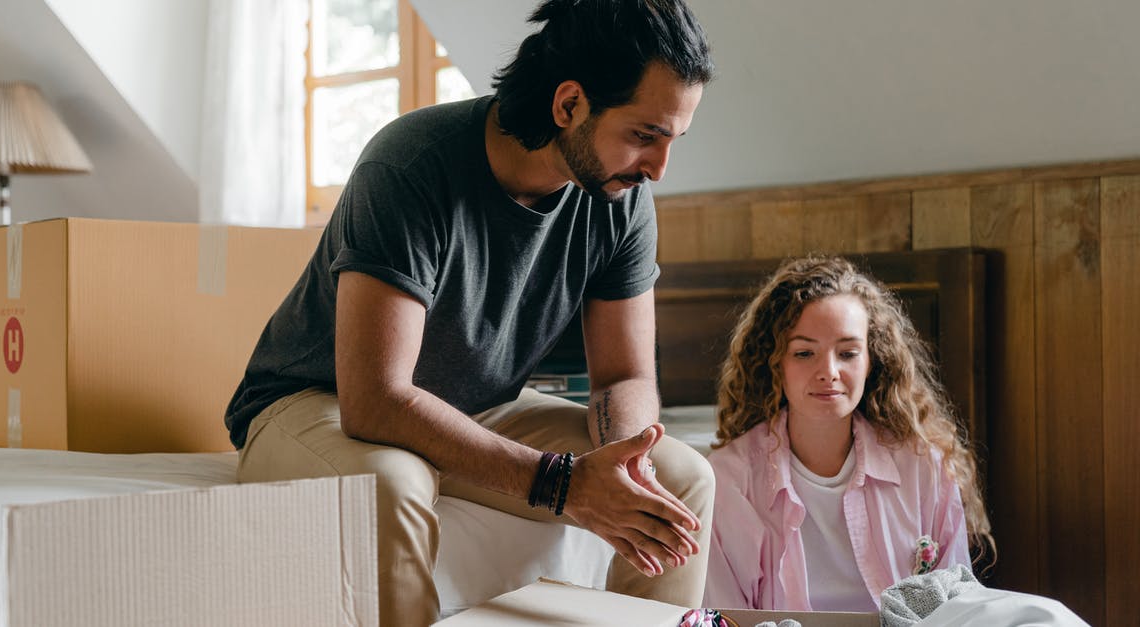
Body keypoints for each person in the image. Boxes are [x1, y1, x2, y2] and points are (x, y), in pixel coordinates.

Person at [224, 1, 716, 624]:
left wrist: (625, 467)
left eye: (673, 140)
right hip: (316, 401)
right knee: (392, 485)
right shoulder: (411, 164)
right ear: (569, 105)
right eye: (644, 135)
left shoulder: (620, 197)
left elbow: (624, 378)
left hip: (476, 404)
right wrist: (562, 482)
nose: (658, 168)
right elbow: (375, 398)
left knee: (679, 479)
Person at [703, 256, 996, 612]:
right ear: (775, 361)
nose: (828, 372)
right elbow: (720, 619)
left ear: (873, 360)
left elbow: (957, 608)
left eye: (847, 353)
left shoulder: (924, 467)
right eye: (804, 352)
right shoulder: (727, 481)